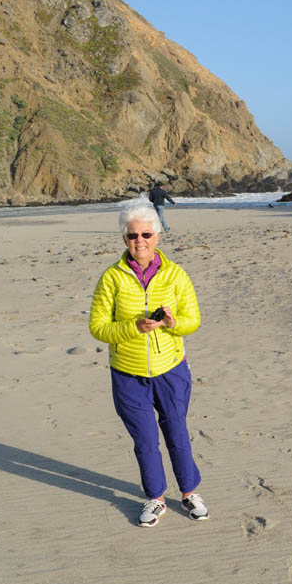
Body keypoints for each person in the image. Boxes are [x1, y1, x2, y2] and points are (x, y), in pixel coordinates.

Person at [89, 204, 208, 527]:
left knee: (177, 432)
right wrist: (133, 328)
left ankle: (189, 492)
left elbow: (192, 320)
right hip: (128, 373)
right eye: (132, 235)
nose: (139, 240)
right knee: (144, 439)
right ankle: (155, 498)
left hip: (171, 369)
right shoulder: (111, 278)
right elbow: (98, 327)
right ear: (124, 238)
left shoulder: (176, 274)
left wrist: (172, 323)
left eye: (145, 234)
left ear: (157, 235)